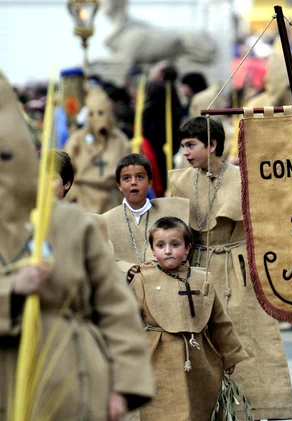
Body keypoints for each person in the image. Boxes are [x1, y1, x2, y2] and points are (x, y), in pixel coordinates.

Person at [0, 70, 154, 420]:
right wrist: (11, 291)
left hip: (74, 376)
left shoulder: (75, 224)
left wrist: (123, 386)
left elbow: (115, 306)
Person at [169, 117, 292, 420]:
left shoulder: (243, 178)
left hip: (237, 270)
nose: (184, 152)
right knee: (204, 342)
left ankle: (262, 404)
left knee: (250, 338)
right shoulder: (180, 181)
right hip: (198, 268)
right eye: (183, 146)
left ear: (212, 145)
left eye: (191, 145)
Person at [130, 217, 248, 420]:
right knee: (162, 409)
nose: (167, 250)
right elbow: (127, 321)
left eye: (175, 244)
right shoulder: (143, 279)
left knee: (200, 407)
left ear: (187, 248)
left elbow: (219, 321)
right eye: (161, 245)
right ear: (152, 249)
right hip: (158, 359)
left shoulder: (202, 279)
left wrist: (229, 355)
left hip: (199, 359)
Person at [101, 153, 189, 281]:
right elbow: (103, 260)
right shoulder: (106, 220)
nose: (133, 182)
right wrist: (126, 268)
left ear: (150, 183)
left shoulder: (170, 212)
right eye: (126, 178)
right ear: (119, 186)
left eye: (140, 177)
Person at [63, 86, 131, 213]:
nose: (97, 118)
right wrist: (72, 194)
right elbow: (65, 169)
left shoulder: (120, 140)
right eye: (92, 113)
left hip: (112, 199)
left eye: (101, 113)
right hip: (84, 199)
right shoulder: (77, 140)